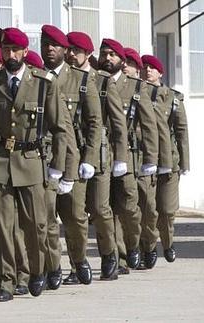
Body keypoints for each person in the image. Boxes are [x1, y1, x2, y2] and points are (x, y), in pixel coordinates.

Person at [0, 27, 75, 301]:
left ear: (25, 52)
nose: (10, 55)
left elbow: (59, 128)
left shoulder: (43, 83)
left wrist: (58, 165)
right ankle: (5, 282)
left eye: (14, 50)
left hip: (31, 160)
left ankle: (35, 271)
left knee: (35, 225)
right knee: (2, 226)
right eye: (6, 50)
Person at [62, 31, 128, 283]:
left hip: (99, 156)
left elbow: (118, 123)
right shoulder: (62, 78)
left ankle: (110, 254)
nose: (70, 54)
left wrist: (120, 156)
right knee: (74, 213)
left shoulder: (102, 80)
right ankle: (76, 264)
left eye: (75, 50)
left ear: (87, 54)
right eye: (68, 50)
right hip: (72, 155)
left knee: (100, 209)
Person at [41, 25, 102, 288]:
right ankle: (52, 267)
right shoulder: (36, 77)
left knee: (74, 217)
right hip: (42, 159)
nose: (49, 49)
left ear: (65, 50)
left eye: (55, 45)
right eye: (45, 44)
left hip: (72, 160)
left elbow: (94, 122)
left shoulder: (81, 80)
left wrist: (89, 158)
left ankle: (79, 261)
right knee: (45, 217)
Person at [98, 39, 158, 273]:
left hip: (129, 156)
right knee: (106, 209)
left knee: (130, 208)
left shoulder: (135, 86)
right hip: (102, 154)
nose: (108, 58)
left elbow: (149, 125)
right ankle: (116, 259)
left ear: (121, 60)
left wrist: (151, 160)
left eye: (113, 55)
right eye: (104, 54)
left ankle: (135, 245)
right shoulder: (96, 81)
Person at [139, 55, 189, 263]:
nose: (147, 70)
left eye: (152, 68)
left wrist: (185, 162)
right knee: (148, 209)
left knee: (167, 210)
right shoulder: (136, 92)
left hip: (169, 161)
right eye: (145, 67)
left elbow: (181, 131)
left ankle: (168, 242)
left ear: (160, 72)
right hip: (144, 159)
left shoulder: (173, 97)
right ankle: (149, 248)